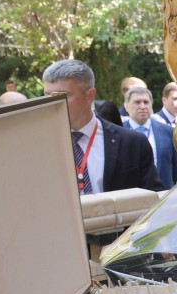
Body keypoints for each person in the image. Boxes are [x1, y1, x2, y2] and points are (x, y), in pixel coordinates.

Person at [42, 60, 162, 194]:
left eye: (62, 96)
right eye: (47, 96)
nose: (53, 104)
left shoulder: (132, 143)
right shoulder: (38, 146)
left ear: (90, 95)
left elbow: (153, 198)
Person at [123, 86, 177, 190]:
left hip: (163, 195)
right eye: (137, 102)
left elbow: (176, 170)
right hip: (130, 196)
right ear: (126, 106)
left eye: (146, 102)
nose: (142, 106)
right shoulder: (118, 133)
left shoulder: (167, 131)